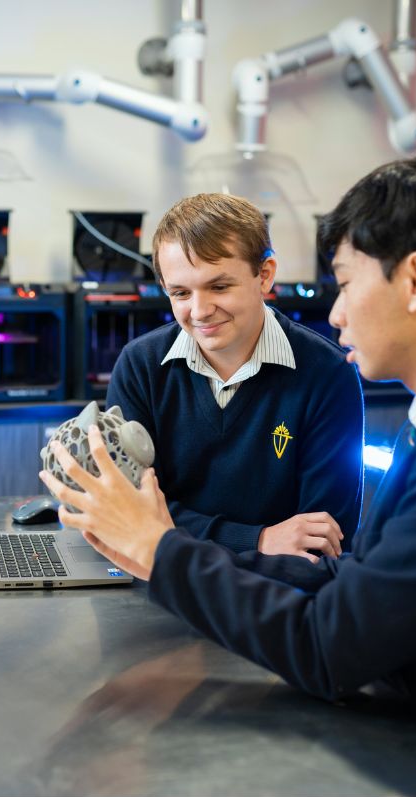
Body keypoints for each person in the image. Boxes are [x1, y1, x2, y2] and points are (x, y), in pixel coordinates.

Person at [40, 153, 416, 796]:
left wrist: (162, 550)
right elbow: (354, 581)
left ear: (415, 280)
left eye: (346, 282)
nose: (334, 315)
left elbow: (329, 646)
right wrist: (182, 549)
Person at [104, 193, 363, 559]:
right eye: (180, 293)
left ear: (265, 275)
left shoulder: (327, 374)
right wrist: (256, 540)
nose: (200, 311)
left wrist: (174, 532)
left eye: (219, 286)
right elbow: (129, 512)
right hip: (159, 586)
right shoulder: (140, 366)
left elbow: (319, 541)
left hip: (279, 601)